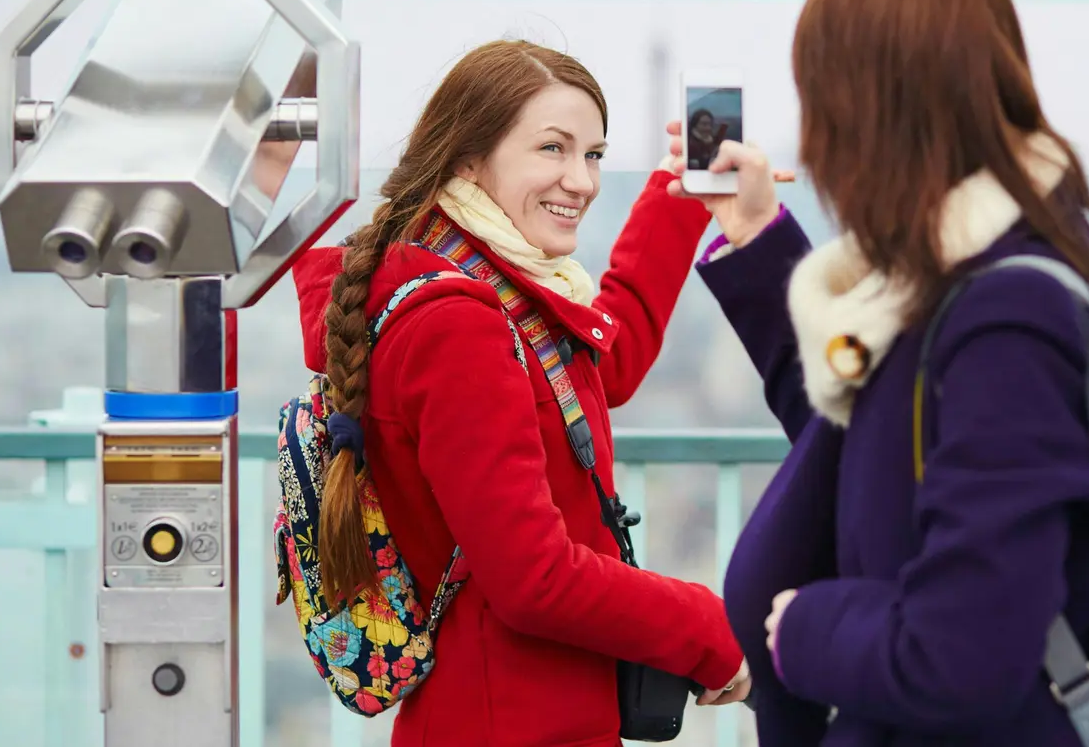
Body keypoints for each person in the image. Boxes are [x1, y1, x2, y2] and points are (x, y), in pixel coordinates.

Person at [665, 0, 1089, 746]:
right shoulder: (949, 288)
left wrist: (806, 627)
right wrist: (753, 235)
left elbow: (968, 650)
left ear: (875, 112)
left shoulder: (1007, 323)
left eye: (821, 101)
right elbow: (848, 439)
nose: (811, 142)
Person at [291, 39, 750, 747]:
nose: (583, 180)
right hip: (512, 722)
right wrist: (712, 630)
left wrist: (678, 196)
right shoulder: (460, 324)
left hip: (511, 714)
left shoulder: (480, 283)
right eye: (552, 149)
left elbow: (601, 365)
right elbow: (533, 578)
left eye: (593, 154)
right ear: (469, 159)